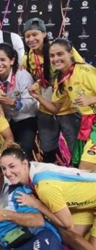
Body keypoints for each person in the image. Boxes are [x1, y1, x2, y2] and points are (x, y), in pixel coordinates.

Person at [0, 143, 96, 248]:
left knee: (76, 238)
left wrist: (37, 204)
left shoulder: (44, 187)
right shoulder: (33, 168)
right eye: (4, 168)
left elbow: (67, 224)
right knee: (68, 236)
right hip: (84, 204)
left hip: (86, 202)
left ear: (24, 164)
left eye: (12, 166)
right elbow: (0, 181)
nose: (7, 173)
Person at [28, 38, 96, 170]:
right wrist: (38, 97)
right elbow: (55, 109)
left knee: (85, 168)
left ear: (70, 53)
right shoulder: (62, 79)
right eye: (52, 56)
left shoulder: (84, 71)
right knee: (81, 167)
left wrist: (91, 99)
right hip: (87, 125)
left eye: (60, 54)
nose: (55, 59)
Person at [23, 18, 82, 163]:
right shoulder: (28, 58)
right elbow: (36, 78)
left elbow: (79, 68)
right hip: (46, 109)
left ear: (44, 34)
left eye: (35, 34)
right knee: (48, 150)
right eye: (27, 36)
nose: (31, 39)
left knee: (76, 150)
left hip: (68, 109)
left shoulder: (60, 49)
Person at [0, 157, 62, 249]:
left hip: (38, 236)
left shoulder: (16, 192)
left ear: (2, 175)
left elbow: (38, 220)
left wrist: (6, 215)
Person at [0, 43, 38, 159]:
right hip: (4, 118)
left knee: (24, 150)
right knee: (1, 149)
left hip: (25, 118)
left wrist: (14, 103)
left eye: (3, 60)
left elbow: (31, 103)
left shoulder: (23, 76)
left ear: (12, 61)